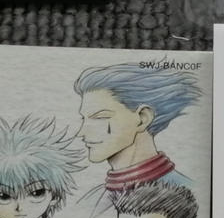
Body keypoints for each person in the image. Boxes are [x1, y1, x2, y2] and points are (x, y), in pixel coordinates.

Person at [73, 63, 202, 195]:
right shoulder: (93, 198)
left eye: (100, 117)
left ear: (142, 118)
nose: (81, 133)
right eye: (83, 118)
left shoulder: (188, 195)